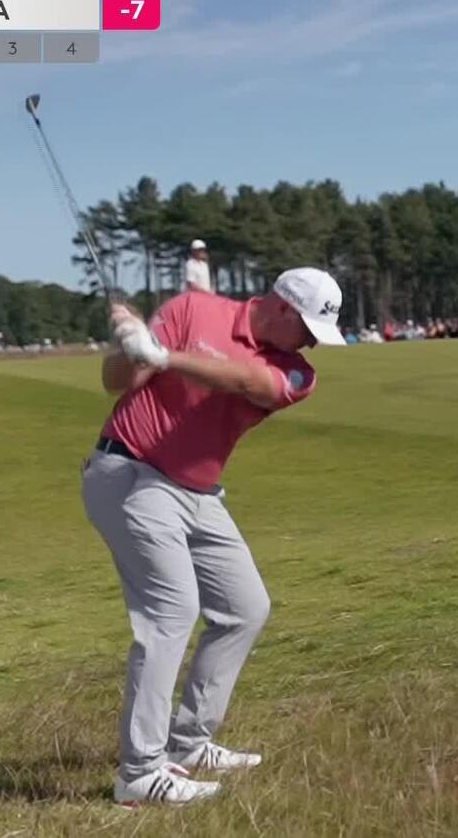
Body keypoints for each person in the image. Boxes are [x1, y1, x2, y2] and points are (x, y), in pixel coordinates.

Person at [82, 266, 346, 807]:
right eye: (309, 332)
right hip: (133, 471)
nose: (311, 346)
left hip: (199, 493)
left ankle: (188, 742)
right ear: (282, 309)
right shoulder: (191, 310)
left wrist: (167, 357)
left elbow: (245, 381)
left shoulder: (296, 374)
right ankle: (139, 772)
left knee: (245, 608)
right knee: (172, 611)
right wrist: (133, 347)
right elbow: (119, 382)